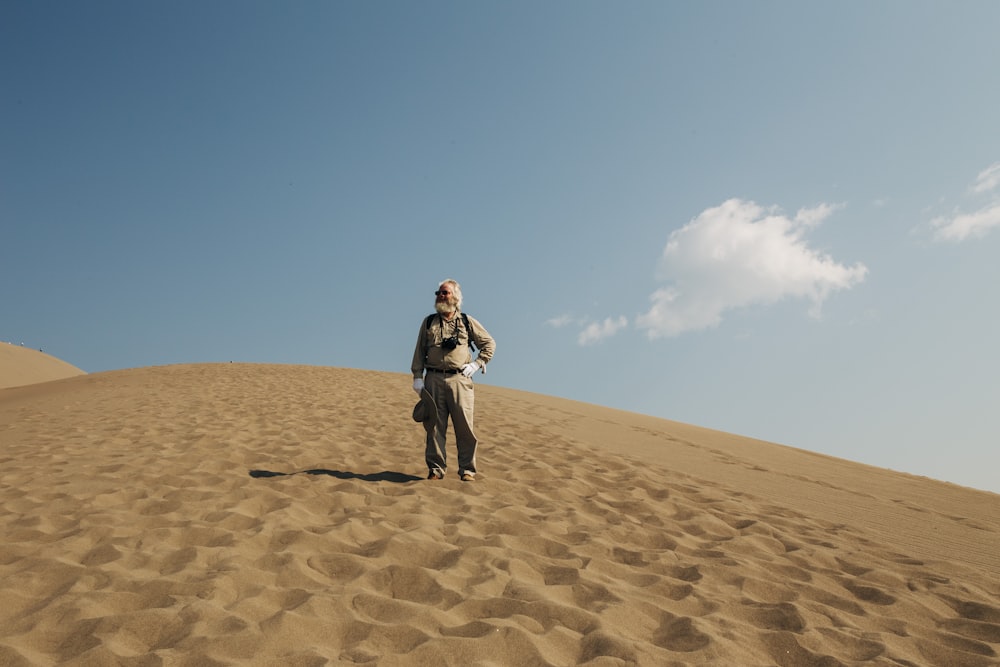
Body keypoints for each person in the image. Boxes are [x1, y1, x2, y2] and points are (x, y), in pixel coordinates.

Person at [411, 279, 496, 481]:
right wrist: (417, 376)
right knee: (434, 427)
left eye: (445, 293)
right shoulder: (429, 322)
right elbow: (419, 351)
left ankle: (467, 469)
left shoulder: (466, 321)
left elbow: (489, 343)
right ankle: (436, 469)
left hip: (460, 380)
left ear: (455, 297)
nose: (440, 296)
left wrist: (477, 364)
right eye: (438, 292)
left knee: (464, 427)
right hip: (432, 379)